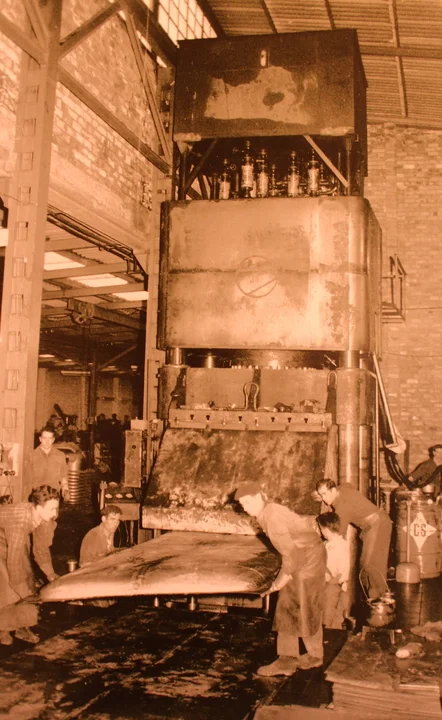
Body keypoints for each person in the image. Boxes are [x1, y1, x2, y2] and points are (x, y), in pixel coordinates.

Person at [234, 482, 325, 676]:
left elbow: (293, 557)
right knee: (308, 604)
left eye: (248, 502)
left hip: (305, 558)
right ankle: (315, 655)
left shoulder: (271, 518)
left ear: (260, 496)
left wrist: (277, 584)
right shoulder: (271, 509)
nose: (245, 508)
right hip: (313, 553)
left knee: (287, 606)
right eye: (242, 504)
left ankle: (286, 661)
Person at [0, 485, 59, 645]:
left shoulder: (44, 517)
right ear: (38, 508)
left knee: (27, 579)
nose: (55, 514)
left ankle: (22, 627)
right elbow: (13, 561)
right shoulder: (20, 521)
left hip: (9, 537)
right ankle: (3, 629)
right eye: (52, 509)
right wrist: (22, 592)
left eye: (56, 509)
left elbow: (40, 549)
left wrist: (51, 574)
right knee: (6, 583)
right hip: (5, 535)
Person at [316, 479, 392, 600]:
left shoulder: (342, 506)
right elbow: (347, 485)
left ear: (333, 490)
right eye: (320, 495)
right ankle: (374, 597)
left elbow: (337, 535)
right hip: (373, 525)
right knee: (366, 564)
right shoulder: (342, 489)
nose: (323, 499)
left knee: (370, 564)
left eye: (324, 494)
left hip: (378, 524)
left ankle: (381, 599)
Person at [316, 511, 350, 629]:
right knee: (331, 621)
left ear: (325, 529)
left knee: (330, 621)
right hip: (332, 586)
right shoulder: (329, 544)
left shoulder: (339, 546)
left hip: (335, 587)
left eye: (320, 528)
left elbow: (339, 572)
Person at [30, 426, 69, 500]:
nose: (47, 441)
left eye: (50, 438)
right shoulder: (32, 455)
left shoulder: (60, 455)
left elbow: (63, 474)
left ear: (53, 440)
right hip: (37, 495)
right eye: (45, 438)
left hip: (54, 494)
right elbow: (27, 478)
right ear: (40, 439)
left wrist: (65, 488)